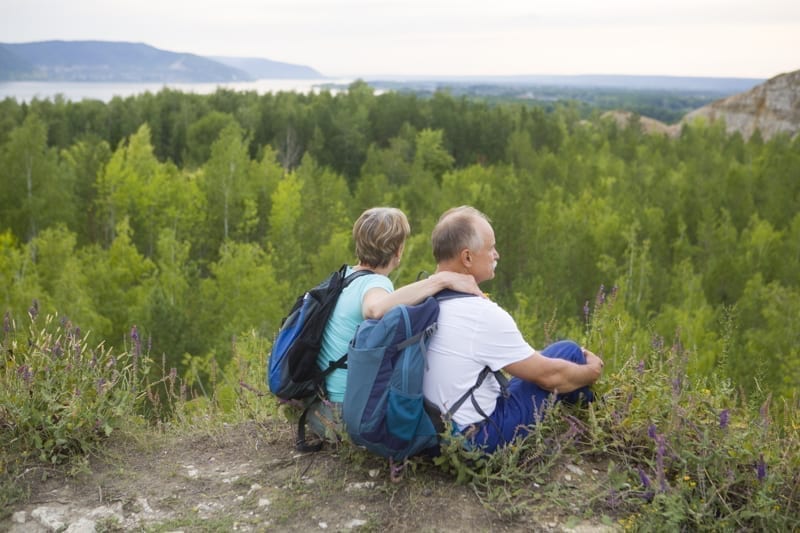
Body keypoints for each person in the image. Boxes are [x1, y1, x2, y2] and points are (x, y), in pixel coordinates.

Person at [422, 206, 604, 453]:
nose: (496, 254)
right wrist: (591, 372)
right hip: (473, 440)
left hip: (425, 431)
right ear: (467, 258)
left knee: (544, 361)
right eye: (490, 248)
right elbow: (549, 377)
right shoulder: (481, 314)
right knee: (568, 352)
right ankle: (600, 423)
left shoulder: (418, 299)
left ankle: (592, 416)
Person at [308, 206, 483, 439]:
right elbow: (376, 308)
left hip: (317, 410)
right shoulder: (375, 285)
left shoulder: (347, 277)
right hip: (342, 419)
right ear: (399, 250)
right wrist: (440, 281)